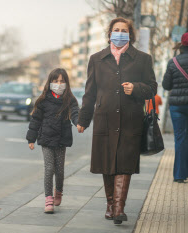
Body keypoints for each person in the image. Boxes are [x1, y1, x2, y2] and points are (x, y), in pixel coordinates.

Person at [77, 17, 157, 224]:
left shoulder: (142, 59)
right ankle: (111, 203)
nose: (120, 33)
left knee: (124, 163)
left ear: (130, 34)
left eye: (124, 30)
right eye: (116, 30)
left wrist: (136, 88)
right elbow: (90, 92)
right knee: (107, 163)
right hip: (105, 119)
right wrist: (83, 119)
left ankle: (119, 208)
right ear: (109, 33)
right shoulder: (96, 59)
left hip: (131, 119)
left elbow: (152, 88)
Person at [26, 68, 79, 214]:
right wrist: (31, 138)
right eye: (55, 81)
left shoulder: (70, 100)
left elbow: (75, 113)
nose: (59, 84)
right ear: (50, 82)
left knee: (59, 170)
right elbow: (35, 119)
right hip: (46, 138)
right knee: (49, 168)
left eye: (62, 81)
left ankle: (59, 191)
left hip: (62, 138)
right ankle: (48, 198)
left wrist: (79, 123)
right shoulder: (43, 100)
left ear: (67, 83)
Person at [162, 32, 188, 183]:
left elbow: (166, 85)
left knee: (180, 138)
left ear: (182, 44)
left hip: (177, 107)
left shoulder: (173, 62)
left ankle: (179, 174)